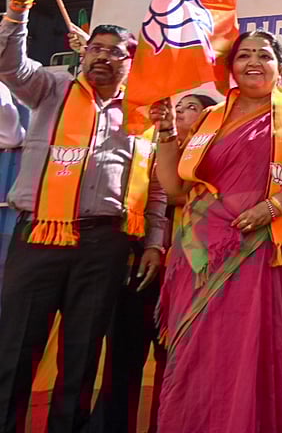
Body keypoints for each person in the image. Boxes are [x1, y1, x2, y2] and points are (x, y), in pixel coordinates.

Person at [0, 0, 168, 433]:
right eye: (96, 47)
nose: (102, 56)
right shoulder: (51, 87)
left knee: (82, 354)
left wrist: (155, 240)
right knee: (15, 346)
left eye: (115, 52)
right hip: (38, 237)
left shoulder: (144, 111)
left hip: (106, 243)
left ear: (130, 62)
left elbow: (154, 186)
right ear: (83, 52)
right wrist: (19, 5)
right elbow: (7, 62)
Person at [152, 31, 282, 433]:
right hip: (197, 254)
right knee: (199, 352)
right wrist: (168, 133)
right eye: (244, 56)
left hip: (263, 250)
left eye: (264, 55)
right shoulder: (209, 119)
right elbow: (175, 189)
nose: (254, 62)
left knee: (257, 348)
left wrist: (273, 206)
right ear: (231, 67)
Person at [90, 91, 219, 433]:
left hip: (194, 274)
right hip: (144, 268)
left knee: (178, 363)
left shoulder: (216, 154)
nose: (180, 114)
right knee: (123, 360)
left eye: (191, 108)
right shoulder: (150, 148)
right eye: (177, 108)